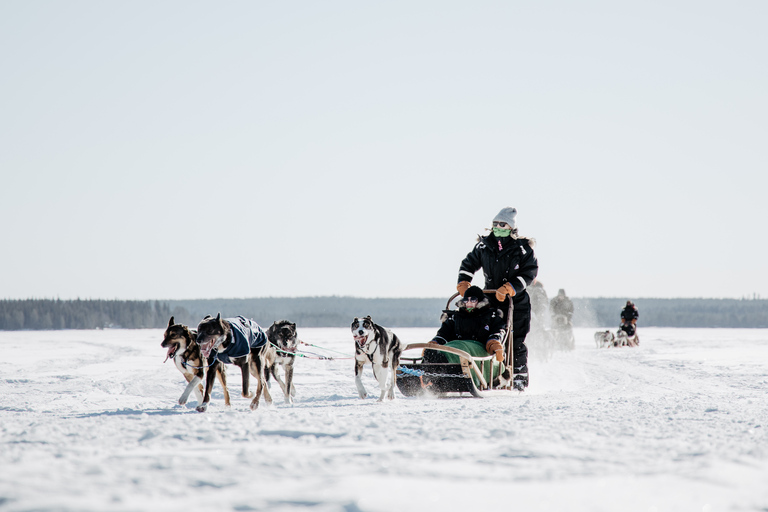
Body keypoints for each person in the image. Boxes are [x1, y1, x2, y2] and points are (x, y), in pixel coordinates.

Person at [456, 207, 538, 391]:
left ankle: (518, 379)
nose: (498, 227)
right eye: (495, 224)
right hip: (491, 301)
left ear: (511, 228)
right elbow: (468, 263)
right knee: (488, 337)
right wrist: (463, 282)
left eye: (502, 224)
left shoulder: (522, 248)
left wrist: (511, 287)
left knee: (514, 340)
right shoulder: (484, 246)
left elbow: (530, 272)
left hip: (516, 303)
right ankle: (489, 375)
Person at [423, 285, 507, 385]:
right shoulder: (456, 316)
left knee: (458, 349)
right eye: (466, 299)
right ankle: (429, 371)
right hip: (456, 347)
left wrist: (494, 343)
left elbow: (498, 331)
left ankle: (437, 368)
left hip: (480, 349)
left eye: (473, 299)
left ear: (480, 301)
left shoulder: (491, 316)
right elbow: (443, 333)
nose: (469, 302)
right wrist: (434, 343)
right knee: (438, 351)